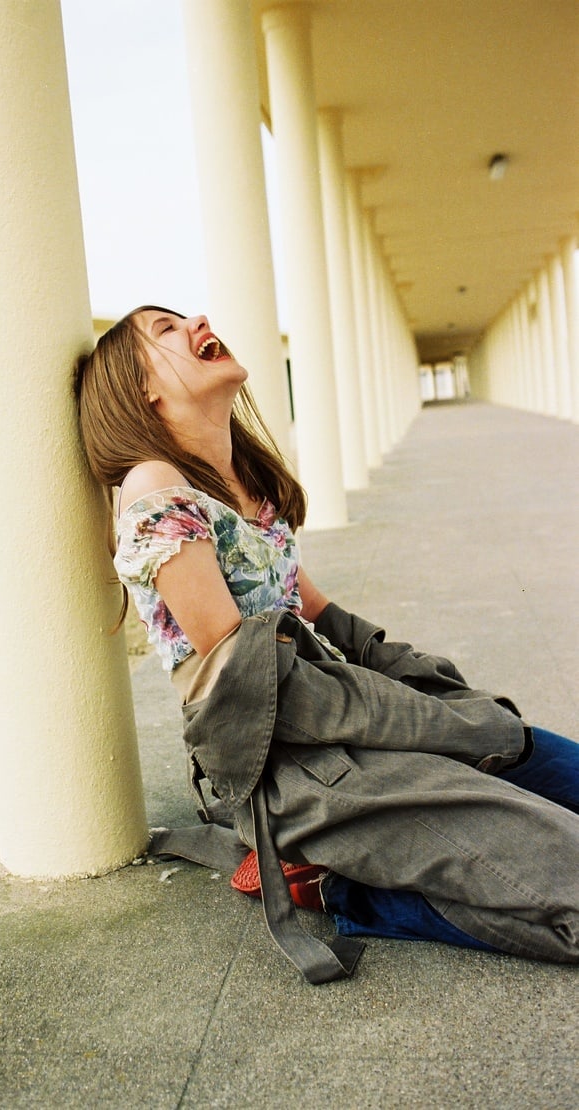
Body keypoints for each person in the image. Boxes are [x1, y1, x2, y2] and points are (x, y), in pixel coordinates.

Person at [75, 306, 579, 981]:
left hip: (353, 720)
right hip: (299, 767)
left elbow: (321, 615)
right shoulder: (154, 492)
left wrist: (447, 697)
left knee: (529, 752)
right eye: (165, 329)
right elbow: (251, 687)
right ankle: (347, 890)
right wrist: (438, 727)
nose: (197, 319)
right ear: (143, 390)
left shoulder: (244, 485)